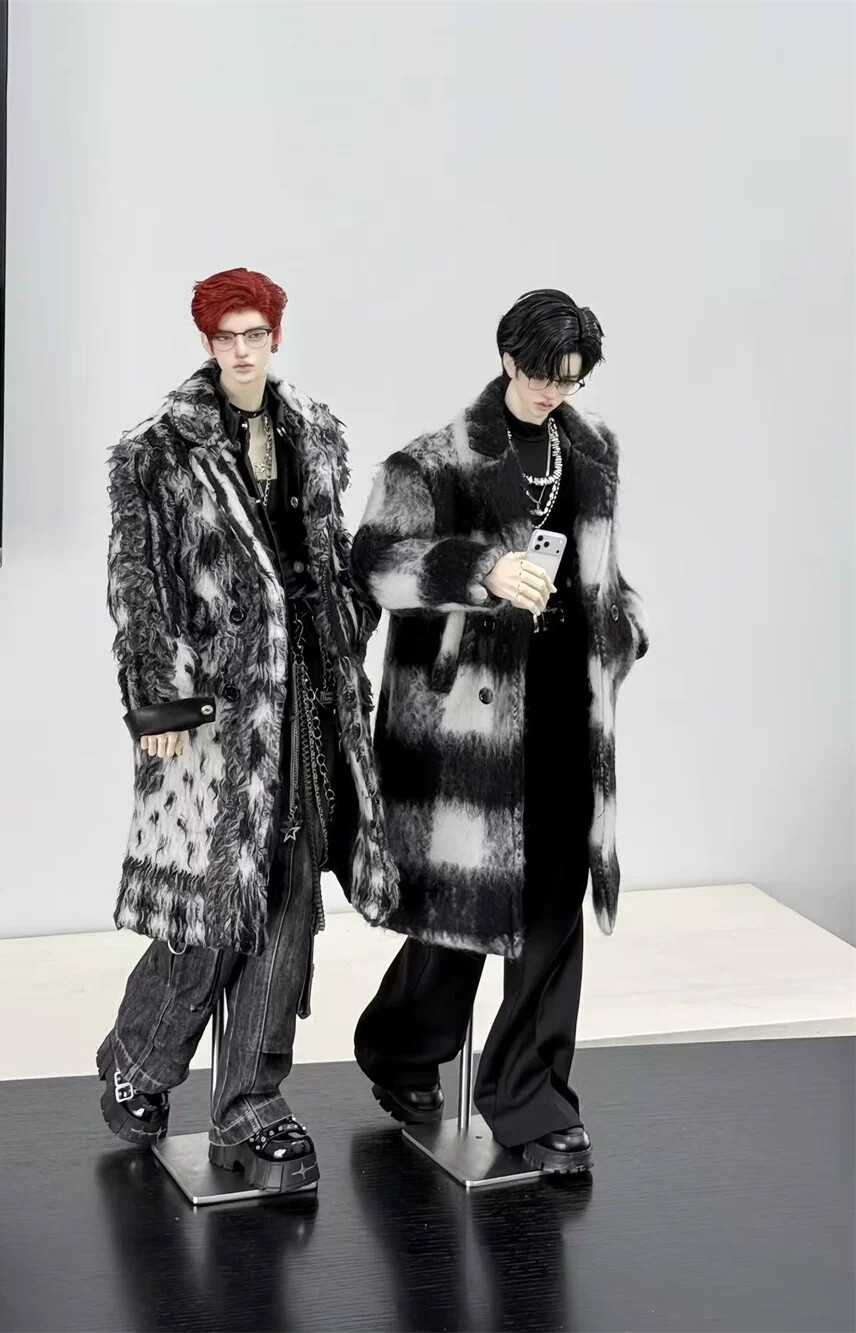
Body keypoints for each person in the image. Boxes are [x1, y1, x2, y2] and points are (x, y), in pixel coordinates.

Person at [97, 267, 397, 1193]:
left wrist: (349, 619)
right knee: (213, 899)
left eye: (254, 333)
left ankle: (250, 1103)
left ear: (275, 337)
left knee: (292, 889)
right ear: (206, 342)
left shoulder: (315, 433)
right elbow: (137, 581)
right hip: (216, 706)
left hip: (307, 692)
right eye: (226, 335)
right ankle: (139, 1057)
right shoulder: (156, 450)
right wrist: (157, 700)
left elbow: (329, 555)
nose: (241, 349)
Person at [350, 289, 649, 1173]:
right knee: (461, 906)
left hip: (563, 701)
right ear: (509, 358)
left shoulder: (591, 451)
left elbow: (601, 571)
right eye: (543, 374)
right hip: (465, 718)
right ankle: (402, 1046)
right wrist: (482, 570)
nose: (554, 392)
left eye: (572, 379)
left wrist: (624, 626)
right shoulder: (432, 461)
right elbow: (375, 564)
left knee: (553, 900)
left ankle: (530, 1096)